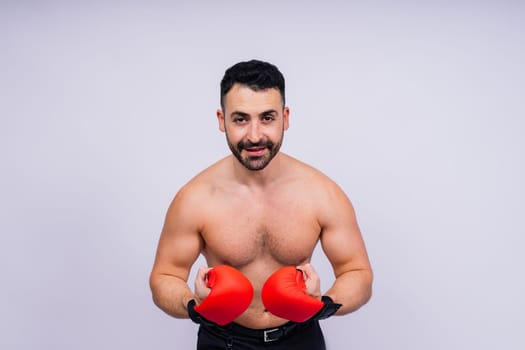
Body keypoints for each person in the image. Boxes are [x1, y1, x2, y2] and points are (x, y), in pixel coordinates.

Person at [149, 59, 373, 349]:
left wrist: (324, 303)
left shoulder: (322, 193)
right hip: (223, 340)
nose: (254, 136)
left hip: (300, 338)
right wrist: (193, 304)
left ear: (286, 117)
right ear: (222, 120)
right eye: (240, 119)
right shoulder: (195, 198)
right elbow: (164, 277)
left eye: (267, 118)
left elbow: (358, 273)